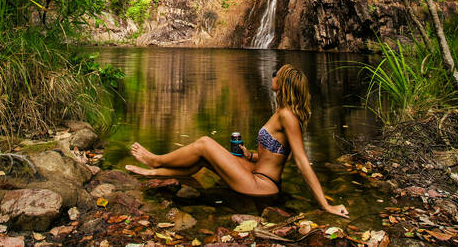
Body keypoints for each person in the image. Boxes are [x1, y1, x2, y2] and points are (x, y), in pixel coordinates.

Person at [125, 64, 349, 218]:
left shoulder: (287, 116)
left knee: (204, 143)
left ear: (284, 83)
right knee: (204, 159)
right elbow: (284, 156)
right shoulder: (282, 112)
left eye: (276, 73)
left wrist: (326, 205)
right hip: (256, 173)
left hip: (261, 186)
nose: (273, 76)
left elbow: (299, 160)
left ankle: (156, 160)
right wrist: (250, 155)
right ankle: (155, 172)